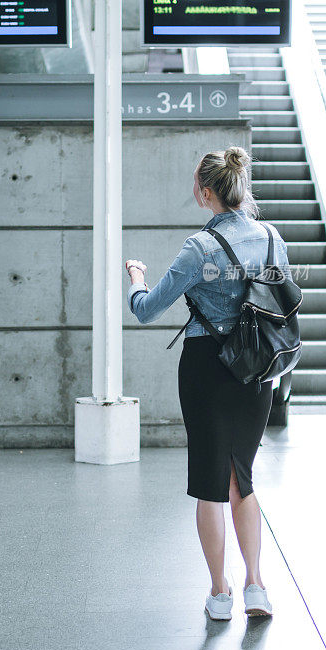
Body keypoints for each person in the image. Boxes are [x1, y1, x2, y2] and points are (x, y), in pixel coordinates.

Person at [125, 145, 293, 621]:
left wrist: (137, 277)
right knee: (243, 476)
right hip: (258, 369)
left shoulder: (198, 248)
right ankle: (255, 586)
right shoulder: (269, 237)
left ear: (205, 194)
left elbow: (146, 309)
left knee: (210, 484)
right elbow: (278, 300)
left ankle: (220, 594)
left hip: (206, 369)